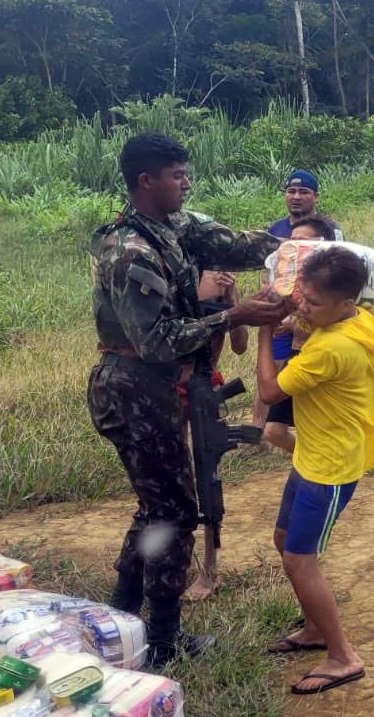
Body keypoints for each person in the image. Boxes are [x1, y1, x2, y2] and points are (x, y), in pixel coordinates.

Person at [90, 133, 288, 668]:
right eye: (176, 174)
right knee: (174, 514)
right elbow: (153, 341)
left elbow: (245, 246)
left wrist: (310, 251)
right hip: (134, 389)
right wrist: (233, 316)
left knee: (159, 508)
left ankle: (121, 622)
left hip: (162, 389)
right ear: (144, 181)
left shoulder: (179, 227)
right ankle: (160, 641)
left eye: (185, 172)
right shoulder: (127, 251)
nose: (186, 182)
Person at [254, 248, 374, 695]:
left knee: (299, 559)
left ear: (345, 302)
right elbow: (308, 325)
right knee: (282, 541)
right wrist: (296, 319)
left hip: (328, 469)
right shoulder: (357, 321)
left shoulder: (333, 347)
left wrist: (263, 334)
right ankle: (314, 629)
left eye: (312, 302)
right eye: (303, 297)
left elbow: (271, 389)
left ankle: (343, 656)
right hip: (312, 456)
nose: (304, 307)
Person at [183, 267, 250, 603]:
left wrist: (233, 301)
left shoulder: (221, 282)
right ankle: (178, 560)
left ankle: (209, 570)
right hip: (166, 387)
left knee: (206, 479)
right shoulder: (173, 271)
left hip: (204, 386)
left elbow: (239, 347)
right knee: (174, 478)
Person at [264, 215, 341, 456]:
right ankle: (316, 460)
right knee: (274, 431)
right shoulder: (286, 284)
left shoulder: (337, 288)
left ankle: (323, 463)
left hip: (323, 364)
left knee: (318, 426)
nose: (295, 249)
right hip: (298, 357)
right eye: (292, 242)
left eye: (303, 243)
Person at [269, 170, 322, 238]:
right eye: (291, 192)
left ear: (316, 197)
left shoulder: (327, 228)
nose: (296, 197)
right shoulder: (275, 229)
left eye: (304, 192)